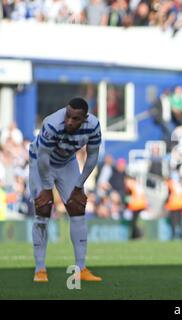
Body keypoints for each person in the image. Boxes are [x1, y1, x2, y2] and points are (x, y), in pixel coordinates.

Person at [29, 97, 102, 282]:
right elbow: (43, 158)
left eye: (75, 119)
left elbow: (92, 157)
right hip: (40, 162)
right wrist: (46, 188)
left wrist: (79, 186)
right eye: (68, 116)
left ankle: (81, 268)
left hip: (66, 162)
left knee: (77, 207)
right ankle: (40, 269)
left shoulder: (93, 126)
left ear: (85, 118)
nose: (69, 121)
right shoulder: (52, 123)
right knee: (43, 209)